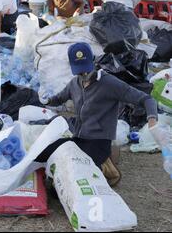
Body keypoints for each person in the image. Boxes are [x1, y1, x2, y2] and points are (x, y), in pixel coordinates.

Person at [36, 42, 163, 186]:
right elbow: (59, 98)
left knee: (68, 177)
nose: (84, 74)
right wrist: (46, 100)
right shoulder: (74, 84)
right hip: (78, 139)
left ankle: (105, 164)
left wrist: (152, 119)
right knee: (43, 153)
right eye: (79, 70)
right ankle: (102, 161)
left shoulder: (109, 84)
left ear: (93, 61)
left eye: (86, 68)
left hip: (99, 143)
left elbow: (147, 99)